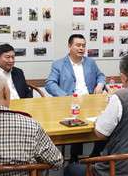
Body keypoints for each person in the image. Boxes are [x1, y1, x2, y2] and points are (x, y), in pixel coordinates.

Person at [45, 34, 106, 162]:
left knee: (105, 123)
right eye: (78, 45)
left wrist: (100, 84)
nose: (81, 48)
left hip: (90, 102)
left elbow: (101, 76)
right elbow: (50, 83)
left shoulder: (90, 62)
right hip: (69, 104)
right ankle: (74, 157)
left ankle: (95, 153)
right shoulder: (58, 64)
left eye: (83, 45)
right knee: (77, 124)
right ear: (69, 46)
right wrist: (65, 97)